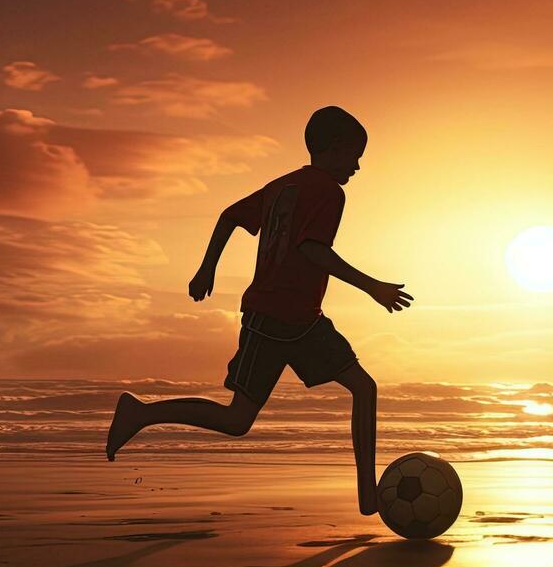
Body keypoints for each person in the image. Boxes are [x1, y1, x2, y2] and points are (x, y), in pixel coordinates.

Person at [105, 106, 411, 515]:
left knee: (359, 388)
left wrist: (206, 268)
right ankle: (141, 413)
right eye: (355, 154)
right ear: (335, 149)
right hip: (271, 319)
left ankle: (367, 496)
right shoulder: (328, 191)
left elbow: (229, 215)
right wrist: (372, 286)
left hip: (301, 320)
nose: (358, 165)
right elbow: (312, 249)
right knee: (239, 420)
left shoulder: (282, 186)